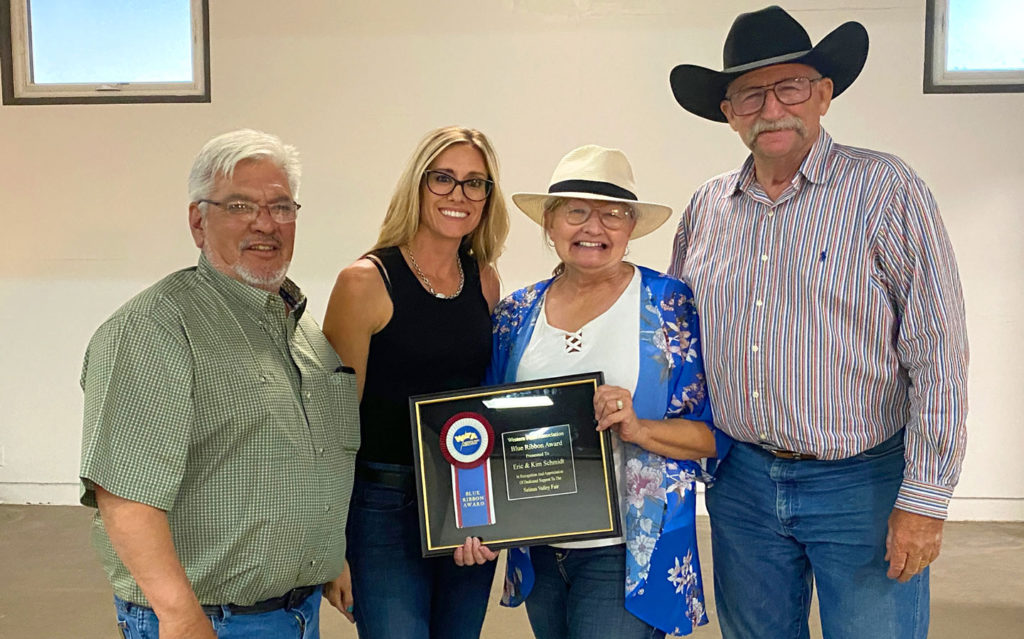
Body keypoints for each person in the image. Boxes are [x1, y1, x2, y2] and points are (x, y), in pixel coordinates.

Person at [667, 6, 969, 638]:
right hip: (740, 483)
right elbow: (680, 345)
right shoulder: (706, 208)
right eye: (750, 93)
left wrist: (924, 499)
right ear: (728, 112)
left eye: (791, 86)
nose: (771, 107)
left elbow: (938, 353)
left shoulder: (886, 190)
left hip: (861, 483)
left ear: (824, 95)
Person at [78, 129, 361, 639]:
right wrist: (180, 617)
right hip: (209, 621)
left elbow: (312, 456)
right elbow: (123, 493)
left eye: (281, 206)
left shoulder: (299, 329)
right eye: (239, 205)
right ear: (197, 221)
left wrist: (327, 555)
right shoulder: (157, 328)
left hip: (297, 613)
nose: (264, 223)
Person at [486, 145, 723, 638]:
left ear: (631, 227)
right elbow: (487, 432)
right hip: (540, 546)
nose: (594, 228)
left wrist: (639, 427)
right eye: (576, 211)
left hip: (628, 550)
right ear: (550, 224)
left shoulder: (671, 307)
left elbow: (714, 435)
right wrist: (471, 518)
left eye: (613, 214)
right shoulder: (514, 314)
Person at [322, 126, 510, 639]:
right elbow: (331, 427)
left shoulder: (486, 280)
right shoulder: (364, 283)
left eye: (475, 183)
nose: (459, 194)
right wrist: (329, 543)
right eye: (443, 178)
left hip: (465, 501)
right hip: (383, 506)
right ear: (417, 185)